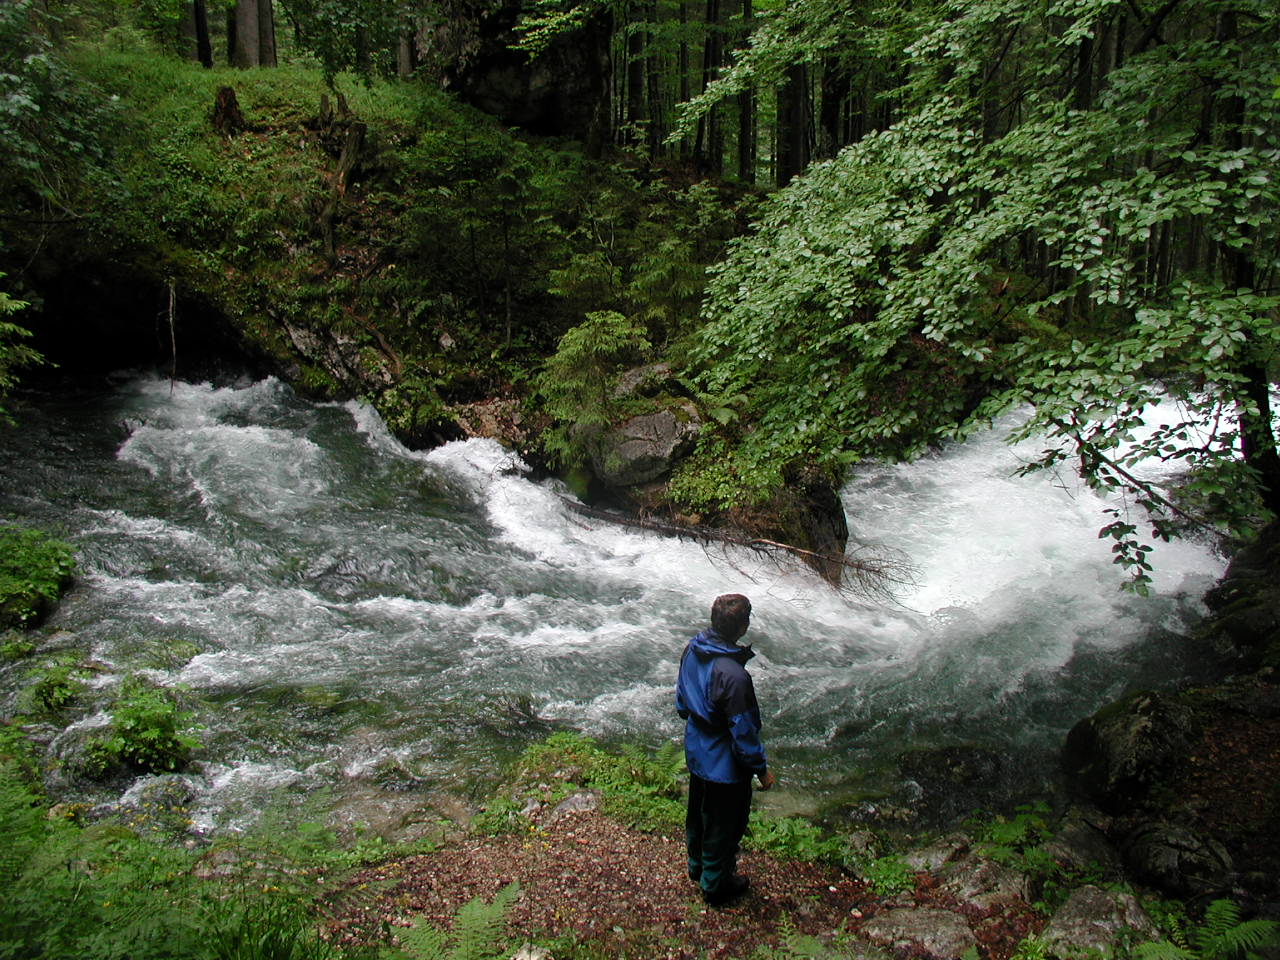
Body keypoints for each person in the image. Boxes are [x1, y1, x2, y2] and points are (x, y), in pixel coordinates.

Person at [675, 593, 776, 906]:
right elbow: (743, 732)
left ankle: (697, 867)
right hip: (724, 763)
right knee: (724, 824)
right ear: (743, 626)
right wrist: (761, 769)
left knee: (698, 813)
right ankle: (716, 884)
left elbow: (682, 700)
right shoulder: (734, 676)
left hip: (697, 748)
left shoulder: (693, 648)